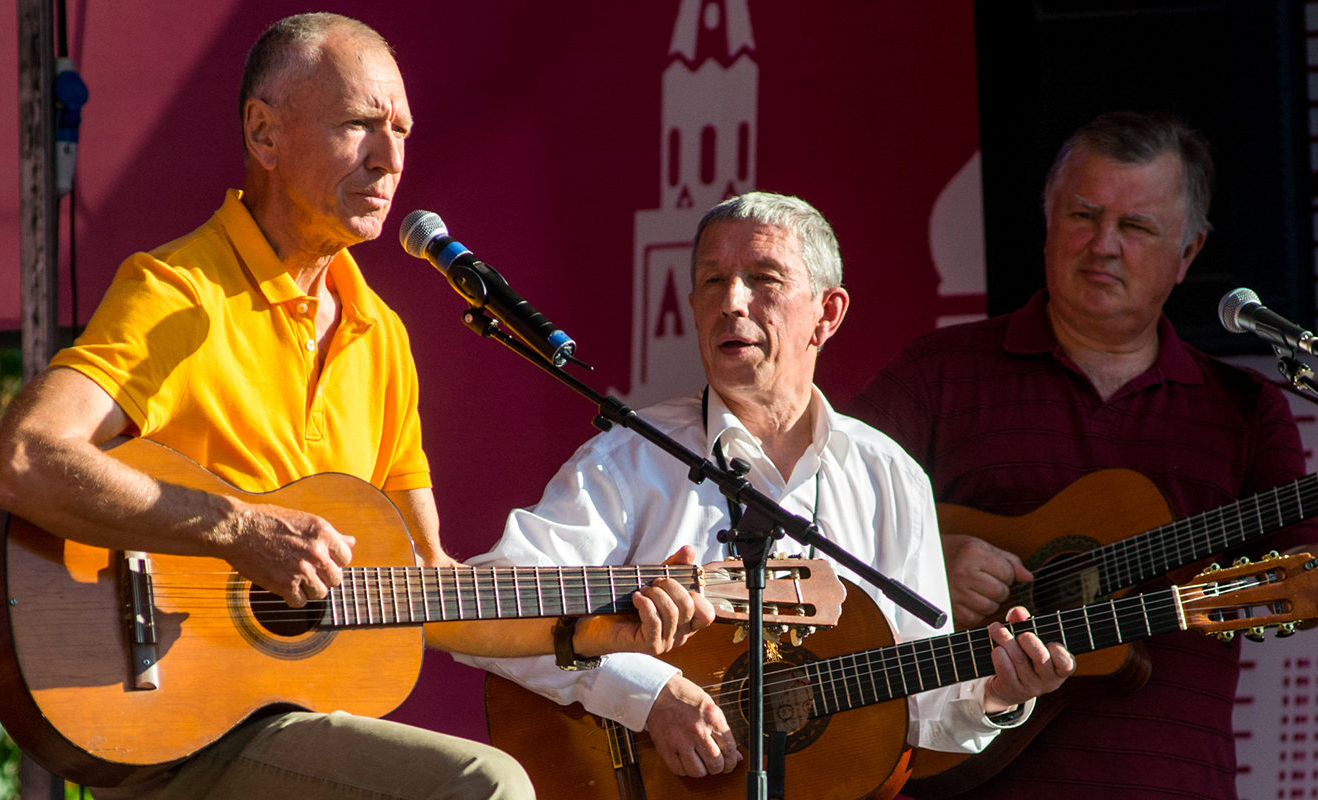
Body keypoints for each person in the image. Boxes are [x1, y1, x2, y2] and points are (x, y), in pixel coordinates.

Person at [0, 13, 711, 799]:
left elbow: (430, 590)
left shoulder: (379, 336)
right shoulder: (177, 292)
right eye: (360, 125)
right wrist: (236, 529)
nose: (390, 160)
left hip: (286, 723)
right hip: (169, 721)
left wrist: (594, 629)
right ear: (263, 133)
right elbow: (23, 460)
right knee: (486, 787)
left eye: (401, 131)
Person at [851, 110, 1318, 798]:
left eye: (1136, 227)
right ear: (1047, 221)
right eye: (1083, 216)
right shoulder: (939, 372)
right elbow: (823, 526)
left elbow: (1298, 588)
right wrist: (932, 563)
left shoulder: (1244, 409)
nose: (1103, 245)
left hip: (1169, 779)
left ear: (1188, 253)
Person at [457, 191, 1075, 781]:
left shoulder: (887, 476)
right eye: (711, 281)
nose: (732, 301)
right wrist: (644, 695)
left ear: (827, 314)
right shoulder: (629, 459)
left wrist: (997, 692)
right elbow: (480, 617)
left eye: (763, 279)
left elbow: (922, 707)